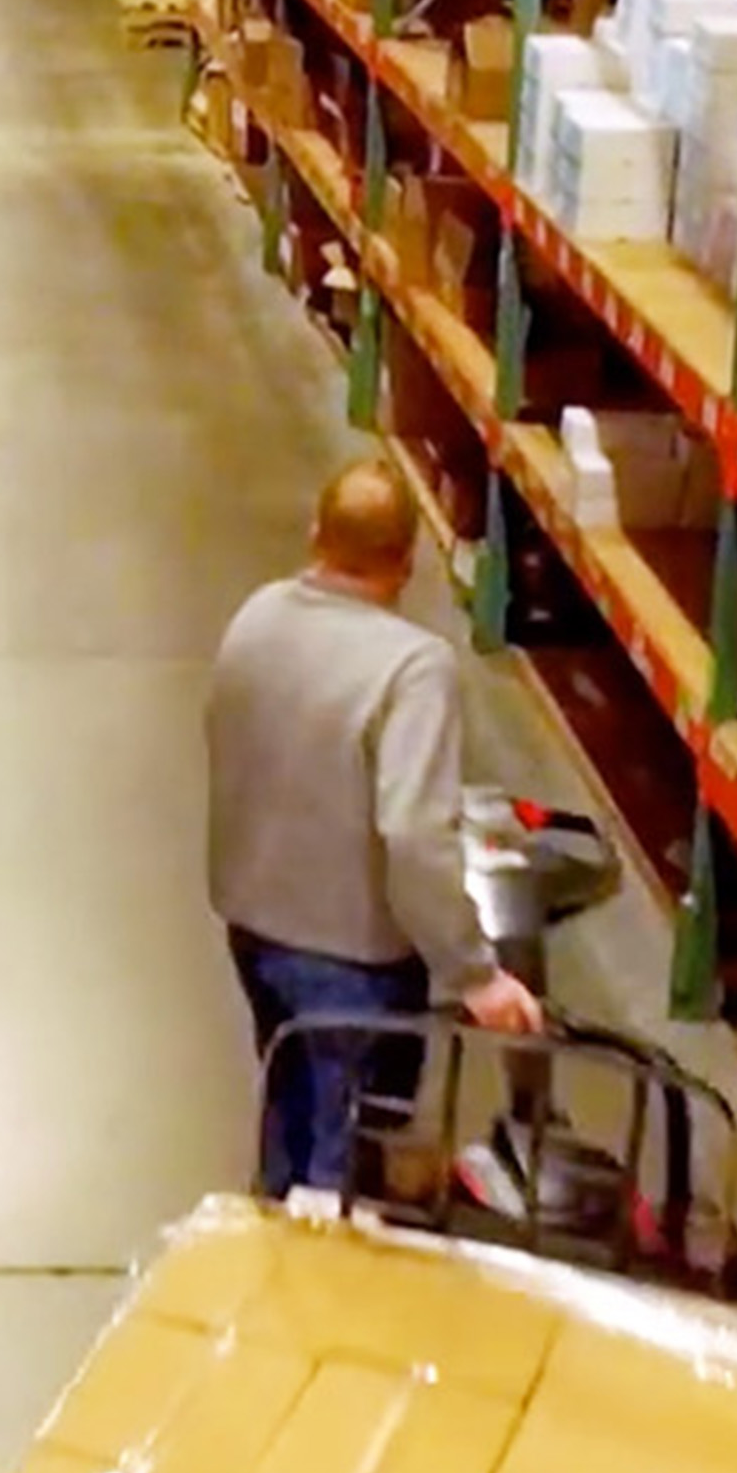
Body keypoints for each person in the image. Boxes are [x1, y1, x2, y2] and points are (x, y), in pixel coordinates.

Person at [206, 458, 546, 1200]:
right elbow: (414, 834)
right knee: (343, 1176)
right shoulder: (413, 669)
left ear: (313, 535)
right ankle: (316, 1288)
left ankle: (269, 1245)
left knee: (287, 1104)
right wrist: (473, 974)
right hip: (351, 960)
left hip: (254, 928)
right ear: (406, 564)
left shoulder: (256, 616)